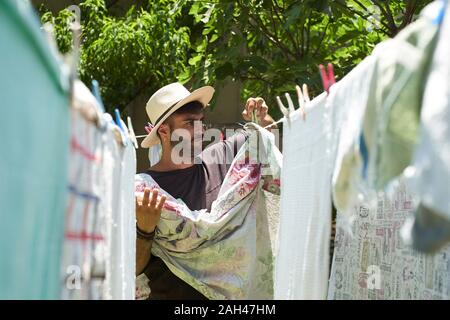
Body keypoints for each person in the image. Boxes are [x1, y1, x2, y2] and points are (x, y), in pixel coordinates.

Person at [135, 82, 275, 299]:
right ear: (164, 131)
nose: (200, 130)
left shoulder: (223, 158)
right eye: (190, 123)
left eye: (201, 122)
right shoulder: (144, 190)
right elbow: (131, 267)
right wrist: (144, 231)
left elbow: (266, 147)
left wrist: (263, 122)